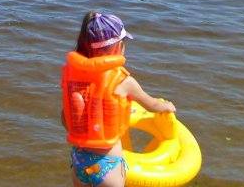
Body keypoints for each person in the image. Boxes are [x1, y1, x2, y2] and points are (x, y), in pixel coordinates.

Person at [61, 12, 176, 187]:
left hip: (79, 161)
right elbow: (152, 105)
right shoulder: (123, 81)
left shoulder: (74, 78)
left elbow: (66, 117)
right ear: (118, 48)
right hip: (108, 165)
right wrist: (166, 106)